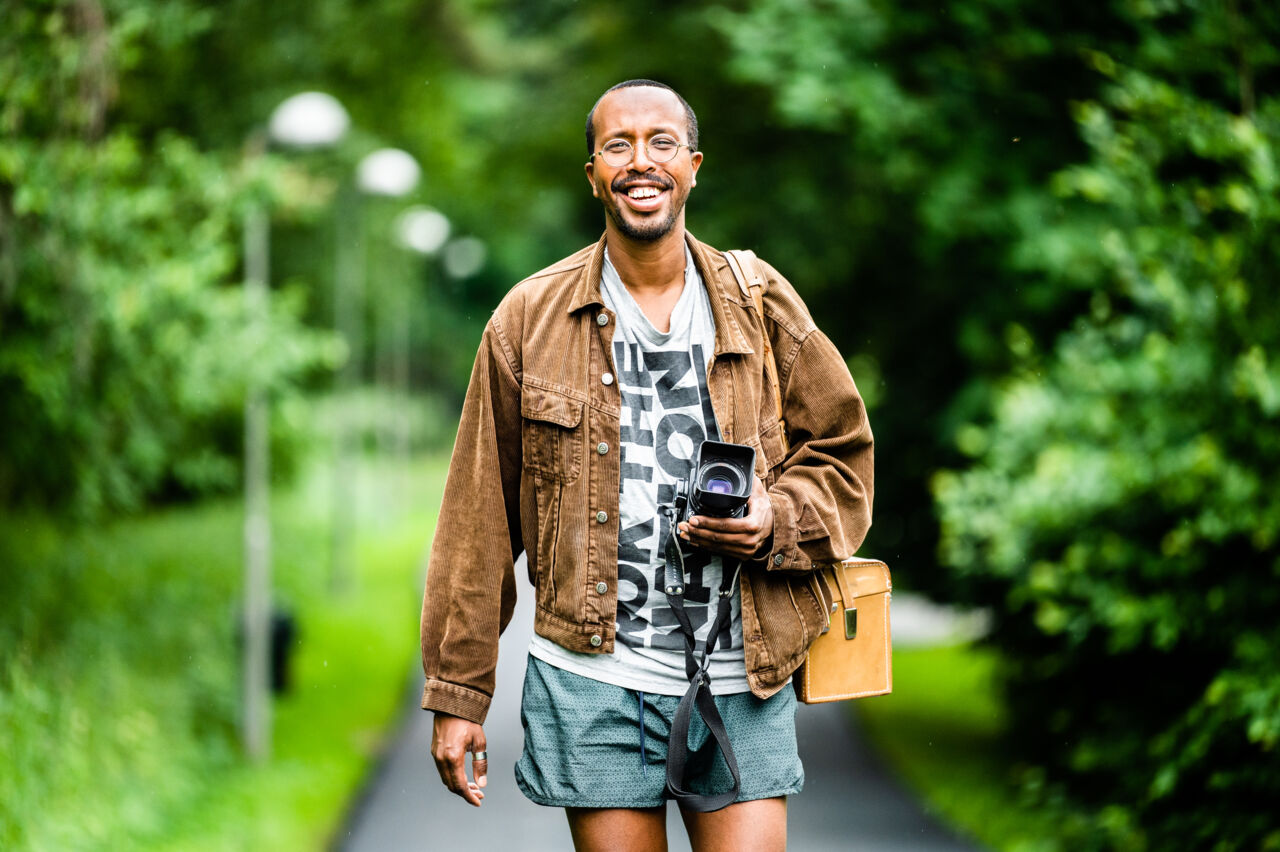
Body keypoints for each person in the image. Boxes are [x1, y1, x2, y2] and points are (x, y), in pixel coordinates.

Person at [420, 79, 873, 852]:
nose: (641, 161)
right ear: (593, 172)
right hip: (593, 678)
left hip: (741, 676)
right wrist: (459, 693)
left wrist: (773, 520)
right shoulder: (527, 319)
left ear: (693, 166)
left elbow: (843, 457)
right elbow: (477, 522)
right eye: (618, 145)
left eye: (661, 142)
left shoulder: (759, 302)